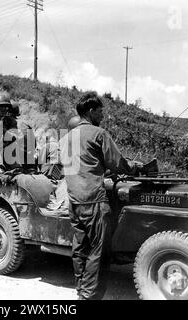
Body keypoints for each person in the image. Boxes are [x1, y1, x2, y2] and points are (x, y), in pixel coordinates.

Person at [60, 94, 146, 300]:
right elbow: (118, 163)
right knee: (99, 252)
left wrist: (101, 171)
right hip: (94, 201)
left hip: (75, 202)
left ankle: (81, 291)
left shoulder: (65, 139)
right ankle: (90, 297)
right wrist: (135, 167)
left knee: (81, 249)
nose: (103, 115)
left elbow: (76, 167)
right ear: (90, 111)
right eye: (100, 111)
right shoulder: (99, 133)